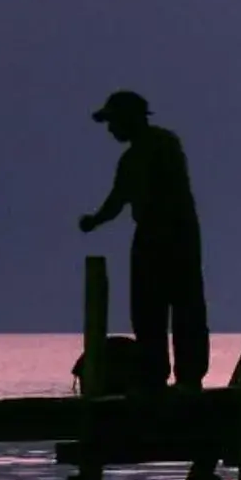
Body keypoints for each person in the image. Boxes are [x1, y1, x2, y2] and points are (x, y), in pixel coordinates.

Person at [79, 90, 208, 390]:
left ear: (129, 119)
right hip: (156, 233)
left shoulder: (161, 145)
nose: (110, 129)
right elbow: (117, 200)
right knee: (151, 310)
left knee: (179, 307)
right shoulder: (136, 156)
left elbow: (125, 197)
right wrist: (96, 220)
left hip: (174, 233)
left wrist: (96, 219)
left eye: (113, 122)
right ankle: (160, 375)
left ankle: (185, 376)